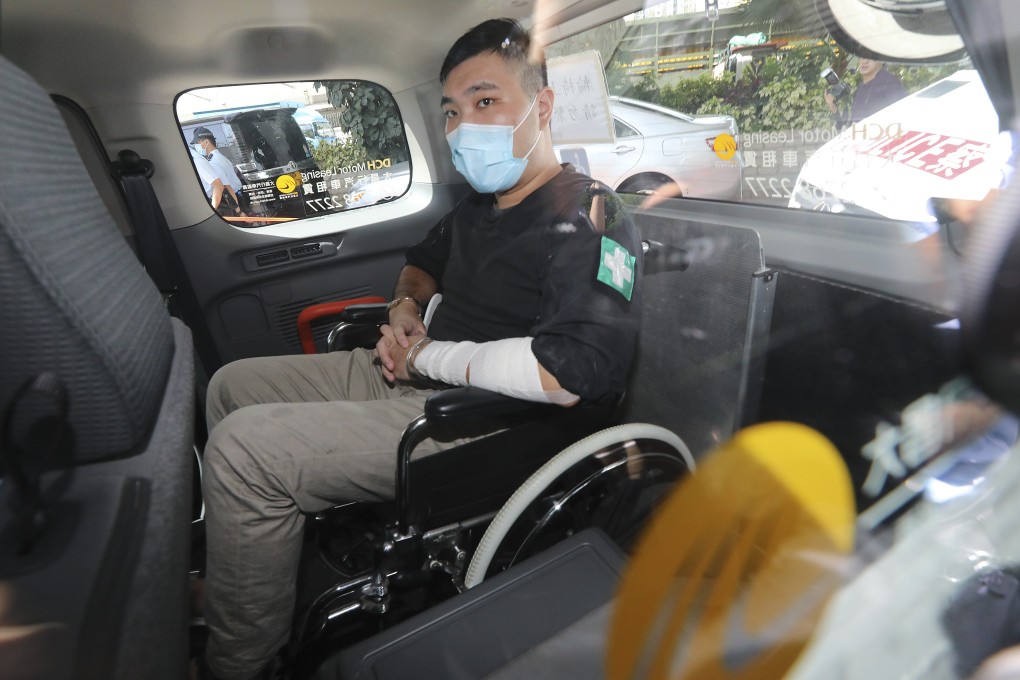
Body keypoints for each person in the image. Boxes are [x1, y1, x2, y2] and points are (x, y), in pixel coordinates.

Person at [194, 17, 642, 680]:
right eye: (453, 112)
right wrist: (404, 308)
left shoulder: (592, 215)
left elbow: (573, 371)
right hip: (414, 373)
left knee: (244, 452)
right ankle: (250, 569)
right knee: (230, 386)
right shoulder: (478, 209)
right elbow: (419, 265)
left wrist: (425, 358)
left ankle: (241, 663)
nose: (464, 127)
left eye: (485, 101)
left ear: (542, 106)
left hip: (485, 419)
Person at [825, 57, 907, 129]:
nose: (864, 61)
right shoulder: (862, 85)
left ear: (879, 60)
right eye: (862, 56)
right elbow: (853, 123)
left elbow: (903, 117)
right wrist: (833, 108)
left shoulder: (887, 82)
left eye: (870, 57)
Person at [192, 126, 246, 217]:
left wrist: (239, 212)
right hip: (238, 197)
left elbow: (226, 187)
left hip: (231, 201)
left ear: (206, 142)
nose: (196, 146)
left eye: (197, 143)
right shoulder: (221, 157)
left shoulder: (213, 162)